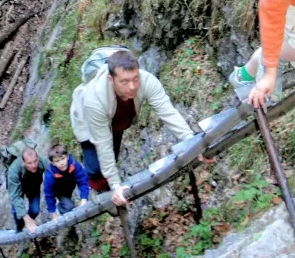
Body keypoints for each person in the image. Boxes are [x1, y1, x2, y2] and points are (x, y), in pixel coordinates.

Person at [70, 50, 211, 207]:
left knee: (113, 154)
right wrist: (117, 186)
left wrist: (191, 142)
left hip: (118, 120)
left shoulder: (146, 80)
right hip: (88, 123)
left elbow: (168, 113)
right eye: (124, 82)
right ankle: (98, 188)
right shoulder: (94, 99)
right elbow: (102, 143)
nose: (132, 87)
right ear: (111, 79)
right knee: (95, 167)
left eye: (135, 79)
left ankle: (107, 183)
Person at [8, 147, 49, 233]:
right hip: (18, 188)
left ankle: (30, 224)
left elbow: (56, 172)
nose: (33, 165)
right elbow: (15, 196)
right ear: (23, 162)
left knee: (35, 210)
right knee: (18, 212)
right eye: (29, 163)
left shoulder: (43, 161)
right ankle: (19, 229)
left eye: (35, 161)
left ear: (38, 158)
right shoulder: (13, 171)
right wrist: (25, 218)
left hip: (33, 186)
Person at [43, 144, 89, 220]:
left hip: (70, 185)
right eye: (57, 161)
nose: (61, 163)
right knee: (69, 207)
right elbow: (49, 194)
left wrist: (84, 198)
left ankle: (69, 200)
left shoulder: (74, 164)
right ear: (53, 163)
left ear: (67, 157)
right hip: (59, 192)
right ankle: (60, 208)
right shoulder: (50, 175)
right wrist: (53, 213)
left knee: (86, 199)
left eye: (63, 158)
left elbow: (82, 180)